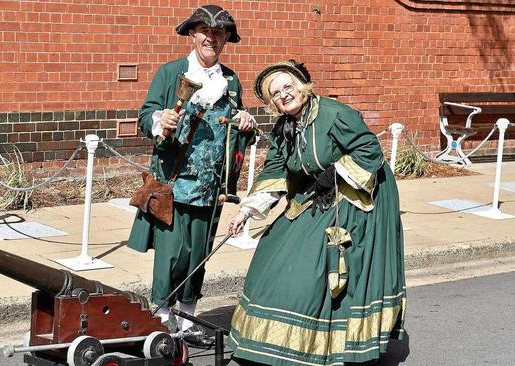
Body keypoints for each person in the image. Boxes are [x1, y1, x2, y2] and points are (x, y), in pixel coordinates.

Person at [226, 60, 406, 365]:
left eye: (287, 86)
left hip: (359, 192)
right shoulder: (285, 128)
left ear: (302, 85)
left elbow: (369, 151)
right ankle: (274, 337)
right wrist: (246, 212)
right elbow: (275, 171)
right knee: (275, 244)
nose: (284, 94)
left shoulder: (334, 114)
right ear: (272, 103)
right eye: (276, 93)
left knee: (314, 261)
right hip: (319, 192)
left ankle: (336, 340)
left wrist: (334, 174)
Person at [126, 5, 256, 344]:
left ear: (227, 39)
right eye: (204, 31)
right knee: (172, 254)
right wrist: (160, 120)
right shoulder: (170, 74)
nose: (211, 37)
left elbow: (234, 128)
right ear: (192, 34)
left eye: (219, 33)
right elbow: (145, 117)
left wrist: (245, 123)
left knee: (199, 255)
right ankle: (163, 319)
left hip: (212, 187)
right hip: (174, 183)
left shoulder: (231, 80)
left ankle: (187, 320)